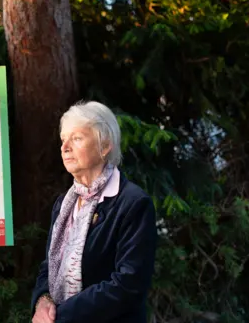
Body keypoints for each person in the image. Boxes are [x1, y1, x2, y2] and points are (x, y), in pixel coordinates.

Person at [31, 101, 158, 323]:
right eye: (63, 140)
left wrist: (61, 315)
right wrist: (42, 301)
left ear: (104, 146)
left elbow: (128, 284)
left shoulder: (133, 203)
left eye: (77, 138)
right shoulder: (64, 204)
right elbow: (49, 267)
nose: (65, 147)